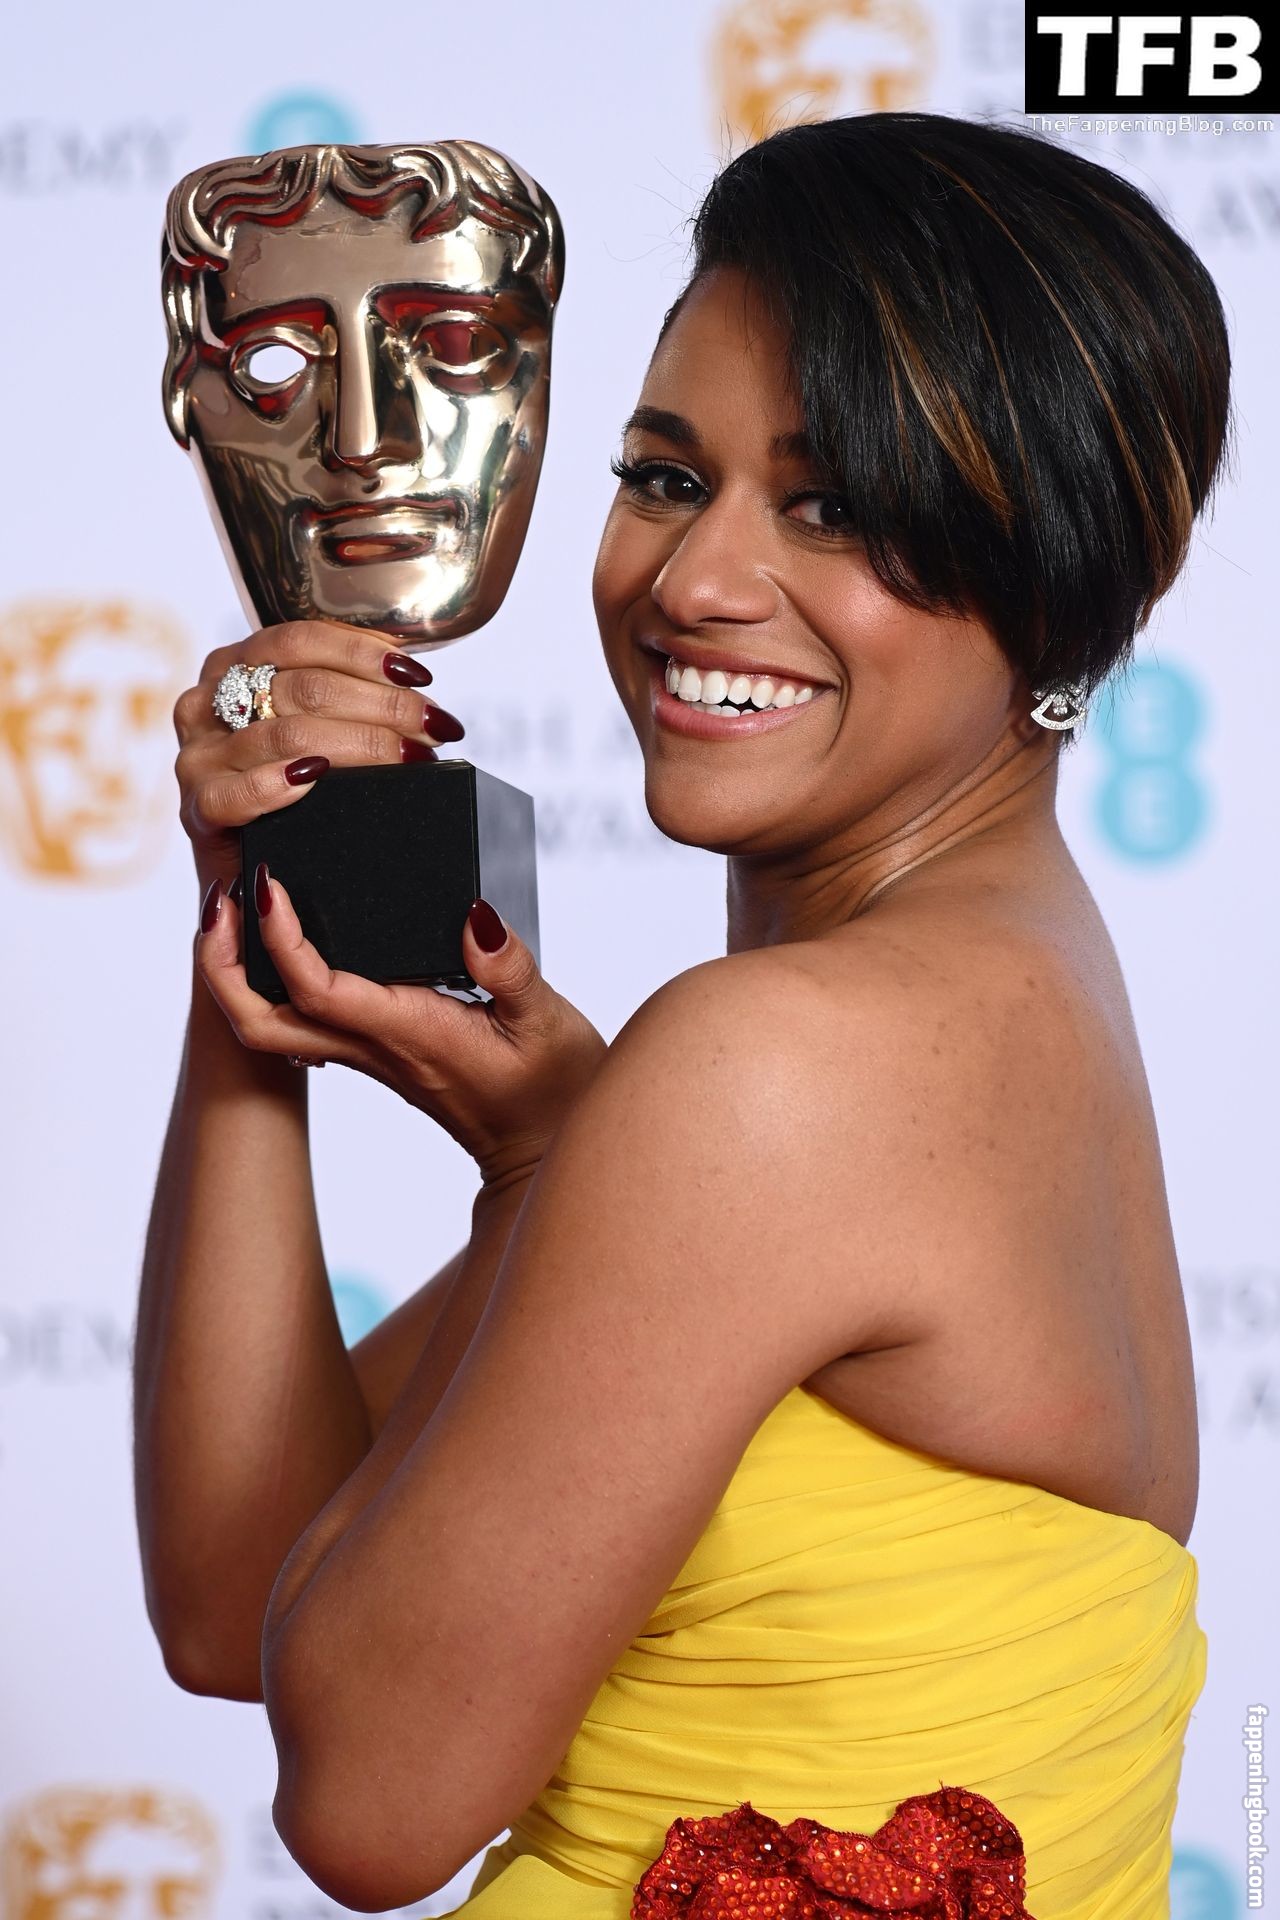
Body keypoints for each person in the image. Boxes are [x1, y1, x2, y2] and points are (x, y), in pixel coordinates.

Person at [134, 111, 1232, 1920]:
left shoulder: (778, 1070)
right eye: (663, 475)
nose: (696, 582)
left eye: (834, 506)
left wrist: (576, 1169)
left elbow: (369, 1807)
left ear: (1064, 572)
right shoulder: (1011, 993)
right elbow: (226, 1600)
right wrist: (259, 925)